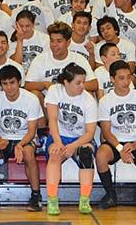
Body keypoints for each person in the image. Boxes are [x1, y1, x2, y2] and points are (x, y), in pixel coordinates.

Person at [96, 60, 136, 210]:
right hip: (115, 141)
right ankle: (110, 194)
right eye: (121, 78)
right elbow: (106, 131)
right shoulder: (105, 101)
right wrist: (120, 149)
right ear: (112, 79)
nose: (126, 82)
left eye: (128, 77)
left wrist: (135, 145)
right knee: (101, 156)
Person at [0, 65, 43, 211]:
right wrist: (1, 141)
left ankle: (36, 196)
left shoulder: (31, 99)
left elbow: (31, 131)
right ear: (0, 85)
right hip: (3, 139)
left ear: (19, 82)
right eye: (5, 84)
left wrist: (20, 145)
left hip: (25, 138)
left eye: (12, 83)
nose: (9, 87)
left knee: (28, 153)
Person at [44, 63, 99, 215]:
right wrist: (58, 142)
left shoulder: (88, 100)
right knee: (55, 153)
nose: (82, 86)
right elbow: (52, 119)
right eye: (78, 83)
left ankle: (84, 199)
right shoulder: (55, 91)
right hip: (59, 135)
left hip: (80, 138)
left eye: (83, 82)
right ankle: (52, 199)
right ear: (66, 82)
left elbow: (90, 133)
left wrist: (74, 146)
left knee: (86, 154)